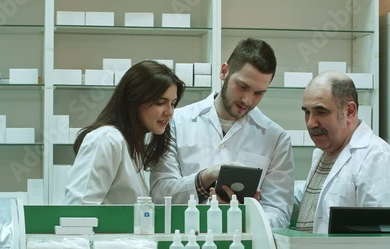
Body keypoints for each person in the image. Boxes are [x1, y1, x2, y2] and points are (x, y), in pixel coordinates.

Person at [150, 38, 294, 228]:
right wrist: (205, 177)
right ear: (224, 71)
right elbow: (159, 195)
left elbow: (279, 213)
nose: (248, 100)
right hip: (184, 241)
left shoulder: (276, 138)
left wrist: (240, 216)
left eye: (259, 93)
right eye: (242, 86)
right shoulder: (175, 122)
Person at [295, 70, 390, 233]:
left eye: (321, 111)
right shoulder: (323, 152)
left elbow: (383, 236)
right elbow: (313, 198)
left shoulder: (377, 157)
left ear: (349, 111)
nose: (311, 122)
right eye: (307, 112)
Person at [65, 60, 185, 204]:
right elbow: (78, 208)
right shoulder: (106, 139)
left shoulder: (132, 145)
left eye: (173, 103)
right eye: (160, 102)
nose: (170, 112)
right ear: (134, 100)